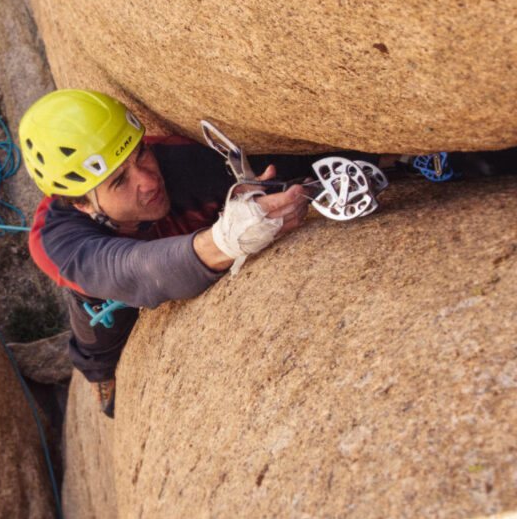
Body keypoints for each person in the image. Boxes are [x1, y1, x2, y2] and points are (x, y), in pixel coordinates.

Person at [20, 89, 311, 417]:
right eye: (119, 181)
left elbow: (297, 164)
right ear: (81, 203)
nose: (148, 180)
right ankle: (98, 373)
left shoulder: (182, 162)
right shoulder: (56, 240)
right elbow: (134, 271)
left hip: (181, 243)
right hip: (109, 292)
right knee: (95, 335)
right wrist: (229, 239)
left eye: (140, 153)